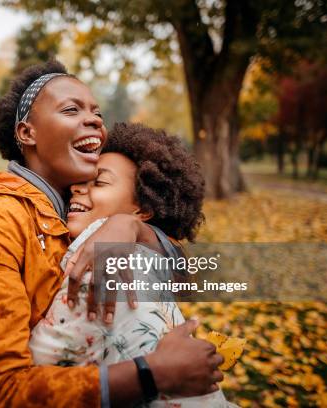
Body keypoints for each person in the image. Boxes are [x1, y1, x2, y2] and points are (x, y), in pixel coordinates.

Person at [0, 60, 223, 407]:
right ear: (27, 133)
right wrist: (152, 374)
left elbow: (181, 273)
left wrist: (133, 228)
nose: (93, 120)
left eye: (97, 112)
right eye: (71, 109)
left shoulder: (76, 202)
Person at [29, 123, 233, 407]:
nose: (75, 187)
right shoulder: (145, 259)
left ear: (142, 210)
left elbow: (39, 359)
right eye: (80, 179)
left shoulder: (102, 266)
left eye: (98, 183)